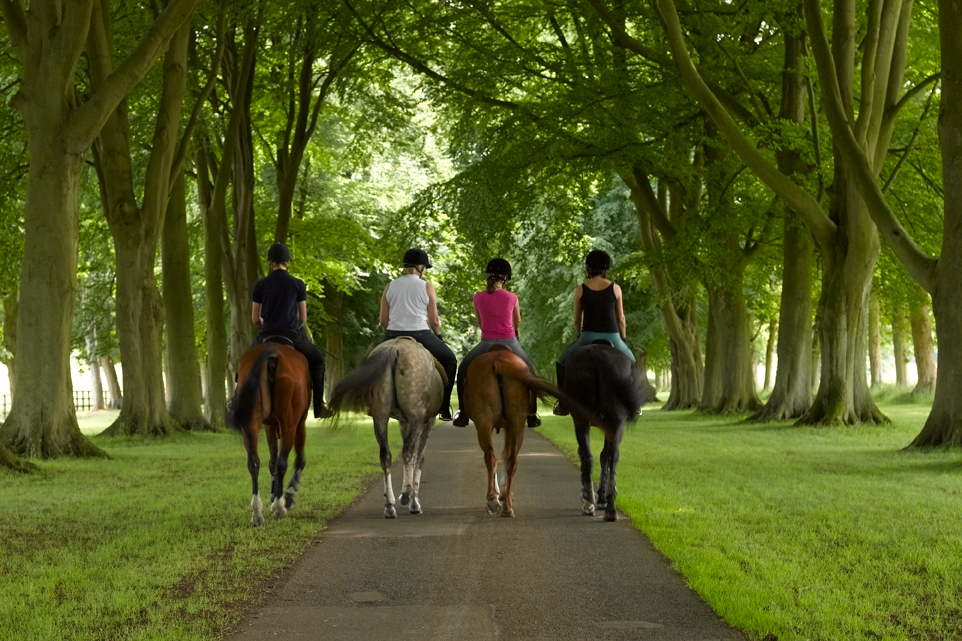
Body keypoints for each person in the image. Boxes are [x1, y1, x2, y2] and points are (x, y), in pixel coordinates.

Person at [453, 258, 541, 428]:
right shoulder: (512, 297)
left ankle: (463, 414)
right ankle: (532, 415)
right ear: (506, 278)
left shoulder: (478, 297)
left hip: (486, 343)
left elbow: (480, 323)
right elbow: (517, 322)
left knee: (462, 371)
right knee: (531, 372)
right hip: (510, 342)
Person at [251, 242, 332, 419]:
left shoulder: (260, 285)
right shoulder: (297, 284)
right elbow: (303, 318)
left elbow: (255, 319)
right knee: (318, 362)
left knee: (245, 362)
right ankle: (318, 406)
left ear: (270, 262)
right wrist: (293, 325)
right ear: (288, 262)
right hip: (291, 335)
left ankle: (237, 400)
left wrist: (266, 322)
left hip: (266, 335)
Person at [553, 249, 636, 416]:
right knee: (633, 362)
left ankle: (563, 403)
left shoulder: (581, 289)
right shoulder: (615, 288)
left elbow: (577, 319)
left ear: (588, 268)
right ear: (606, 268)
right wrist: (623, 338)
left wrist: (579, 335)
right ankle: (633, 402)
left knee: (562, 361)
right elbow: (621, 319)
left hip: (587, 335)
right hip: (613, 336)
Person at [380, 247, 457, 421]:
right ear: (420, 267)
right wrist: (437, 336)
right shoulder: (426, 287)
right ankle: (444, 407)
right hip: (420, 334)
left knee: (371, 362)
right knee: (450, 359)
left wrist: (392, 334)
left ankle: (371, 403)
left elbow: (383, 320)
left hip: (392, 333)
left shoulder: (390, 286)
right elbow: (434, 320)